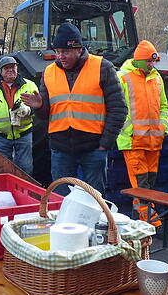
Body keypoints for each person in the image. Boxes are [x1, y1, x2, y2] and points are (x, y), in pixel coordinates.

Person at [21, 22, 126, 194]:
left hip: (94, 149)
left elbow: (119, 109)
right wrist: (40, 106)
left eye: (66, 52)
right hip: (60, 150)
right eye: (58, 51)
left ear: (79, 49)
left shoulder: (102, 67)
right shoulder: (49, 72)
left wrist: (105, 143)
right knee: (62, 200)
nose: (60, 56)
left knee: (95, 201)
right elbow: (46, 115)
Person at [117, 41, 168, 227]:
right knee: (141, 185)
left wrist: (163, 128)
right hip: (134, 142)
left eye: (153, 61)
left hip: (154, 141)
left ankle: (142, 222)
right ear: (138, 60)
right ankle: (153, 224)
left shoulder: (157, 77)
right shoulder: (122, 77)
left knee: (149, 184)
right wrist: (128, 131)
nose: (152, 64)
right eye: (148, 61)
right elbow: (116, 108)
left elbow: (163, 106)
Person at [0, 56, 37, 175]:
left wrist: (29, 110)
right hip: (1, 136)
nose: (10, 70)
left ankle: (24, 186)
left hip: (24, 134)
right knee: (2, 169)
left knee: (25, 168)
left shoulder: (30, 85)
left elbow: (39, 105)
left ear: (17, 69)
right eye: (6, 68)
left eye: (13, 67)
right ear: (0, 71)